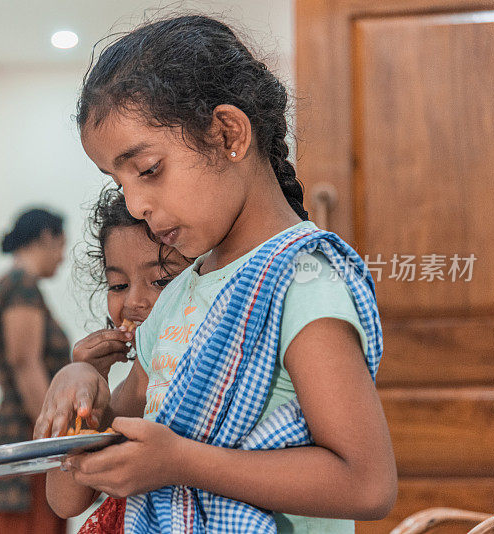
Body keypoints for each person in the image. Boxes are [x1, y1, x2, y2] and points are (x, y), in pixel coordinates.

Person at [34, 15, 397, 533]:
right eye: (118, 182)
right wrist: (83, 382)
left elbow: (367, 483)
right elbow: (69, 496)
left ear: (228, 133)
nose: (134, 205)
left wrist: (179, 461)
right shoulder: (180, 293)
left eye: (148, 170)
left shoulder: (302, 280)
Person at [56, 188, 191, 533]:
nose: (133, 301)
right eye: (118, 285)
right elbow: (66, 500)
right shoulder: (139, 382)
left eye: (161, 281)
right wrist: (87, 381)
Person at [0, 207, 70, 534]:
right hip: (31, 432)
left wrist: (8, 385)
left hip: (23, 424)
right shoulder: (21, 286)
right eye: (62, 245)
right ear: (45, 237)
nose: (63, 258)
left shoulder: (11, 284)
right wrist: (55, 434)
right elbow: (25, 361)